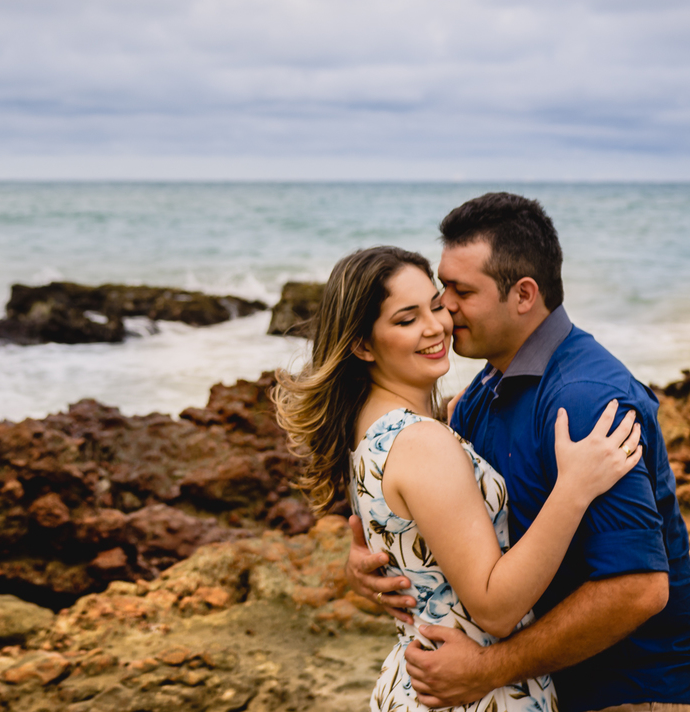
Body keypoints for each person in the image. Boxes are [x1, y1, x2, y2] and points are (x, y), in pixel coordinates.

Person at [345, 194, 690, 712]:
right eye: (442, 289)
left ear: (523, 294)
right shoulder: (480, 395)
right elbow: (449, 518)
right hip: (553, 685)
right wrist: (387, 559)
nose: (445, 309)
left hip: (639, 694)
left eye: (461, 292)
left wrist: (487, 669)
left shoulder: (585, 402)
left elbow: (638, 589)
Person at [274, 245, 644, 712]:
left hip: (423, 682)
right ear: (363, 345)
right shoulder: (421, 443)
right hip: (472, 691)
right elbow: (495, 608)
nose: (435, 327)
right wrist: (574, 489)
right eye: (406, 320)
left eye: (435, 305)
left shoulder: (372, 430)